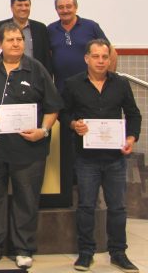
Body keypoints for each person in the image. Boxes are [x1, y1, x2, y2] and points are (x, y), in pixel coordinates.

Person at [0, 22, 62, 269]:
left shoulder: (37, 69)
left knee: (26, 199)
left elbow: (53, 107)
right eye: (10, 40)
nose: (16, 43)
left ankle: (23, 248)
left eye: (19, 39)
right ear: (0, 44)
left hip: (28, 150)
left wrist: (43, 130)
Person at [61, 39, 141, 273]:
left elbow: (134, 115)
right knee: (86, 206)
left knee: (117, 208)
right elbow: (63, 114)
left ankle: (118, 253)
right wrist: (73, 124)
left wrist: (131, 138)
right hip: (86, 158)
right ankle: (86, 253)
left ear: (109, 59)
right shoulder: (73, 84)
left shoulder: (121, 84)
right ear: (87, 58)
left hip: (115, 157)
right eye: (95, 56)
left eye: (104, 57)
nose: (100, 61)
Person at [48, 0, 115, 92]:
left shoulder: (91, 26)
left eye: (69, 6)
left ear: (76, 7)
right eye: (61, 7)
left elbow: (112, 53)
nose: (65, 10)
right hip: (62, 90)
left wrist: (108, 81)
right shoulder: (50, 29)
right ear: (56, 10)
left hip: (91, 89)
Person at [0, 0, 52, 74]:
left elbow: (47, 58)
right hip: (7, 75)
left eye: (27, 5)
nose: (23, 8)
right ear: (12, 7)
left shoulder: (40, 28)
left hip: (34, 77)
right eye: (19, 5)